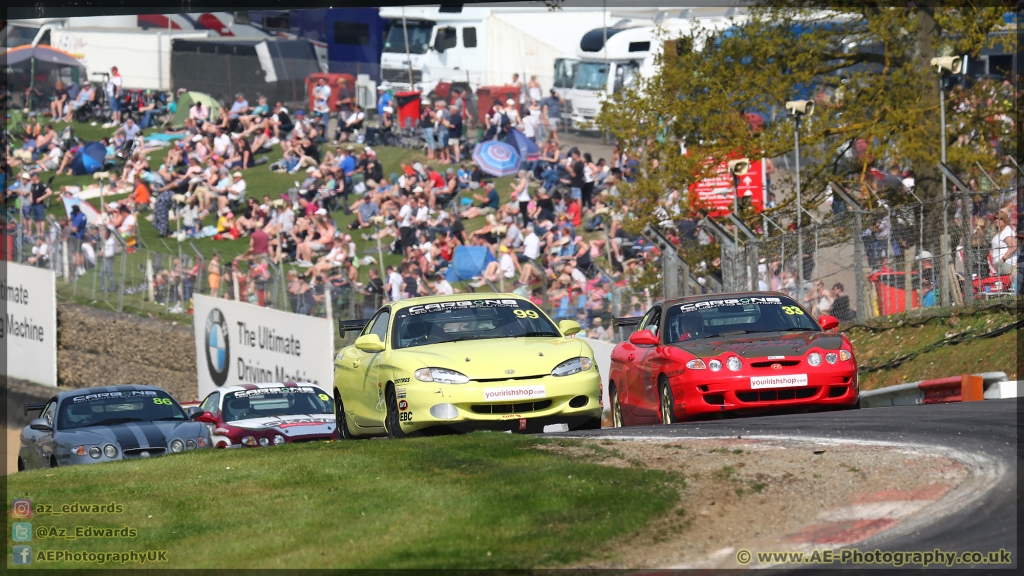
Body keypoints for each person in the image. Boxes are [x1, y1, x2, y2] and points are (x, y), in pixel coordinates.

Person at [990, 210, 1016, 276]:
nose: (996, 220)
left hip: (1007, 263)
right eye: (995, 218)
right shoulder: (1000, 232)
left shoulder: (1006, 230)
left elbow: (1014, 246)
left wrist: (1003, 259)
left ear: (1004, 220)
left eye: (999, 219)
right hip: (1001, 265)